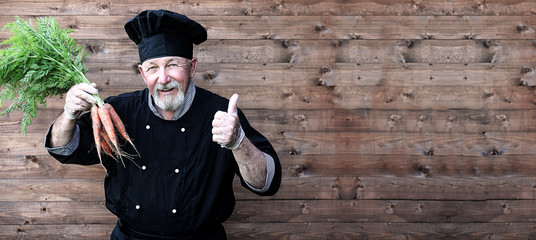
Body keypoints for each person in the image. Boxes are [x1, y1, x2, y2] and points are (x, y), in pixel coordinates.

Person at [44, 9, 281, 240]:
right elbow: (64, 148)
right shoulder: (118, 110)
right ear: (142, 73)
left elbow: (266, 183)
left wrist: (239, 143)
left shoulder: (222, 115)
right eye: (153, 68)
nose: (164, 78)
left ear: (193, 67)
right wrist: (69, 114)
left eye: (173, 65)